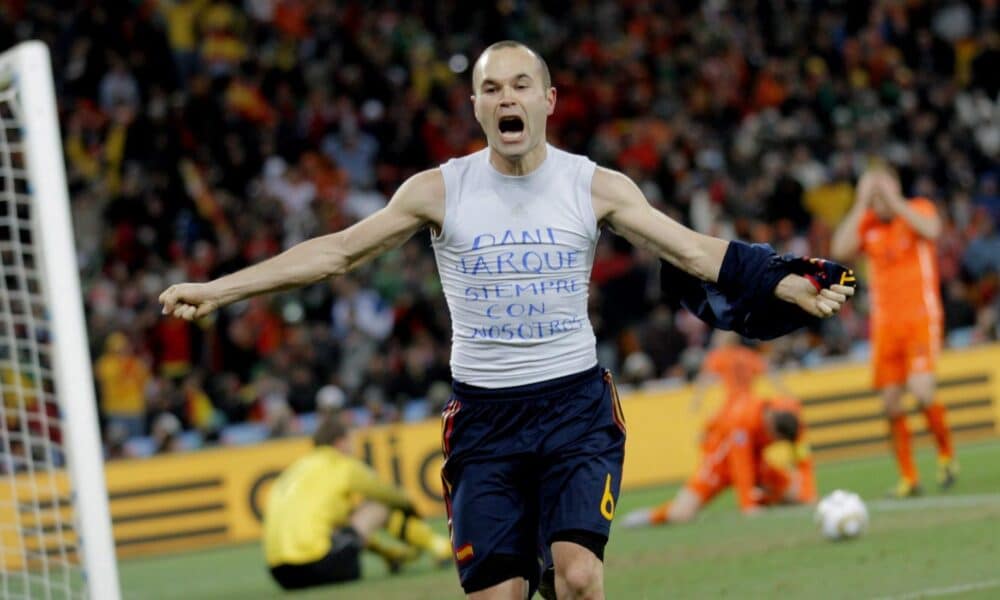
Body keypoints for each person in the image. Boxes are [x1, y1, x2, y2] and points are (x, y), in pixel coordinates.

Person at [160, 41, 854, 600]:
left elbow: (695, 250)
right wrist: (222, 290)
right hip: (485, 421)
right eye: (492, 89)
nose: (507, 98)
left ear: (548, 101)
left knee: (579, 577)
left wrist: (780, 277)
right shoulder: (438, 189)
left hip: (574, 408)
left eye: (521, 85)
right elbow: (337, 251)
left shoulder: (594, 186)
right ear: (476, 106)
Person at [831, 163, 956, 498]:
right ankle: (909, 478)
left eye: (881, 187)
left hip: (919, 318)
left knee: (922, 391)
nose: (878, 196)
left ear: (896, 187)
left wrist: (893, 199)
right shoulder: (868, 223)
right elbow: (839, 250)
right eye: (871, 189)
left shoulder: (917, 210)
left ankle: (945, 454)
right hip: (885, 325)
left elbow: (932, 230)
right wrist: (861, 203)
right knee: (889, 405)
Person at [262, 413, 451, 590]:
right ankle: (439, 546)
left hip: (281, 575)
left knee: (342, 525)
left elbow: (347, 529)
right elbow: (391, 496)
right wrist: (411, 508)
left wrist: (384, 552)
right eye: (350, 440)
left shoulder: (293, 471)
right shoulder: (342, 465)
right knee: (379, 505)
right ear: (340, 442)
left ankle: (392, 557)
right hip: (320, 566)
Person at [621, 396, 816, 527]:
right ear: (770, 422)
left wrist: (809, 494)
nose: (776, 441)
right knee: (681, 515)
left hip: (756, 461)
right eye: (776, 437)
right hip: (721, 461)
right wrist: (749, 506)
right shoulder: (744, 420)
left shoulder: (792, 417)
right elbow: (741, 467)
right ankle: (651, 516)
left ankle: (765, 499)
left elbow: (802, 458)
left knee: (798, 495)